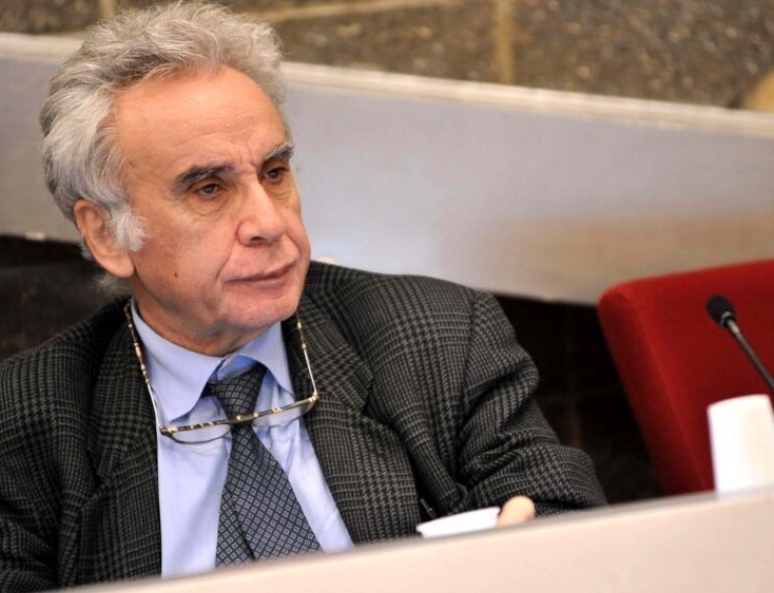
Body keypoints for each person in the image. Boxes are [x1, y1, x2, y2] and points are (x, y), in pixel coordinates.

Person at [0, 2, 606, 591]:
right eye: (208, 188)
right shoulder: (28, 418)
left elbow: (570, 518)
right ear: (107, 234)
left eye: (274, 173)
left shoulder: (439, 336)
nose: (269, 222)